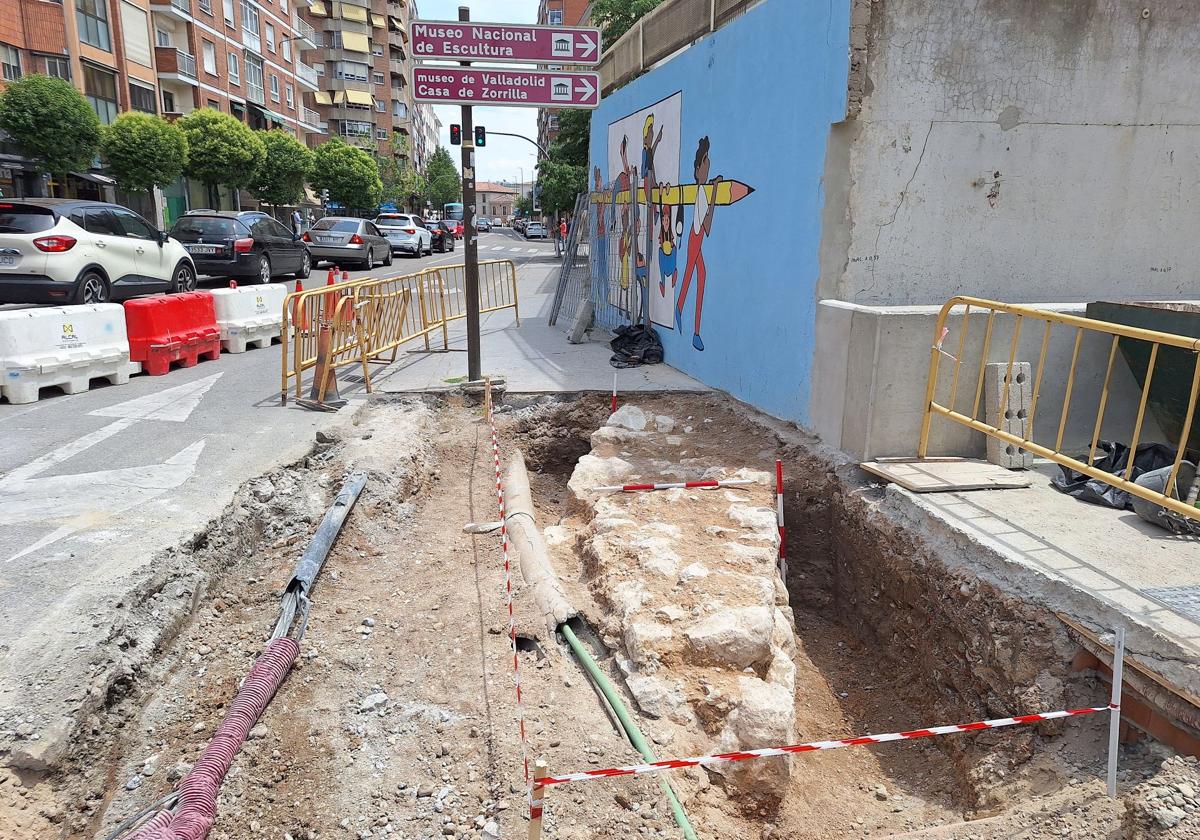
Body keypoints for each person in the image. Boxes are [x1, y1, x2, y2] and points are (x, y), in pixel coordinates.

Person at [675, 137, 720, 351]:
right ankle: (695, 331)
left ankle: (682, 311)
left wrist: (713, 189)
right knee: (694, 277)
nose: (708, 165)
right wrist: (715, 192)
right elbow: (708, 227)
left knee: (697, 276)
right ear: (698, 169)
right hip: (696, 239)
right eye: (706, 163)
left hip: (696, 240)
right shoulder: (702, 194)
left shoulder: (702, 191)